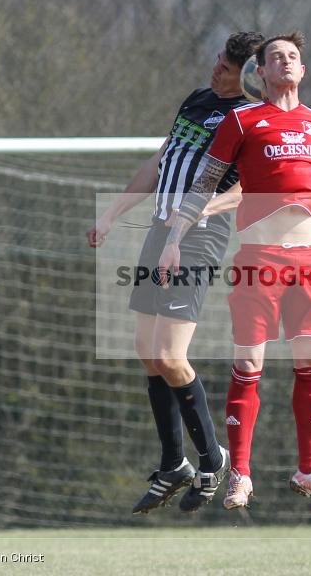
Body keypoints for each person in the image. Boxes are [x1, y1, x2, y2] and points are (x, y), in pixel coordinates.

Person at [159, 32, 311, 513]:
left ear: (303, 69)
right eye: (276, 57)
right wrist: (173, 240)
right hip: (259, 259)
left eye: (293, 56)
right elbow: (204, 184)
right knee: (248, 365)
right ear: (261, 71)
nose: (286, 62)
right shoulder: (243, 119)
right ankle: (241, 476)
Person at [87, 31, 265, 513]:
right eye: (218, 61)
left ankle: (211, 459)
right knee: (146, 350)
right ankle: (174, 464)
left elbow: (250, 187)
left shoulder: (250, 119)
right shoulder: (198, 100)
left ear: (249, 75)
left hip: (197, 239)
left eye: (227, 68)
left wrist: (204, 213)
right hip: (158, 230)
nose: (216, 70)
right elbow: (160, 159)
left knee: (169, 353)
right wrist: (111, 215)